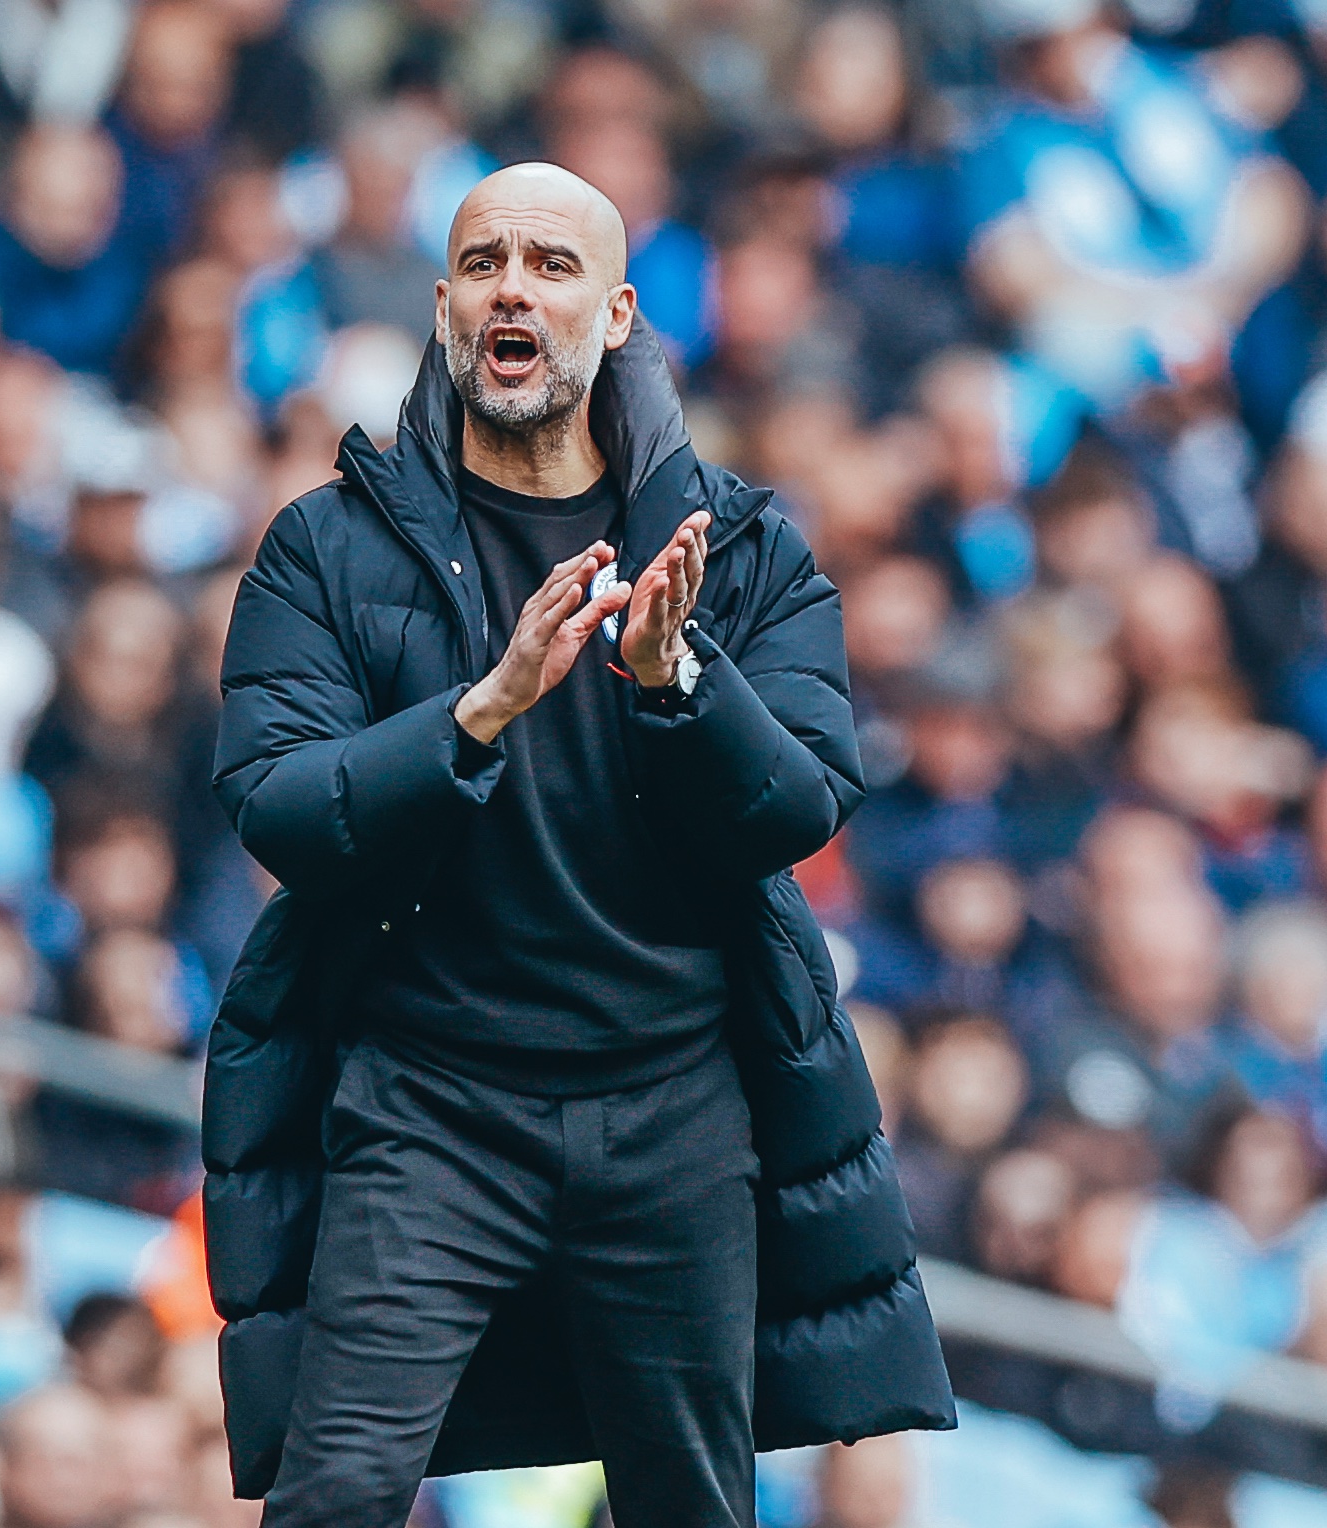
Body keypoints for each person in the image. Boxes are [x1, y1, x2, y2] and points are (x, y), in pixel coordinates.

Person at [205, 162, 952, 1527]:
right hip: (427, 1106)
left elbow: (798, 807)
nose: (513, 289)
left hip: (675, 1108)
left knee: (691, 1508)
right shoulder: (325, 546)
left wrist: (677, 682)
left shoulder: (744, 547)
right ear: (444, 307)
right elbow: (276, 802)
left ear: (616, 316)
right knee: (334, 1498)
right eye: (484, 263)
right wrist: (481, 709)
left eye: (552, 265)